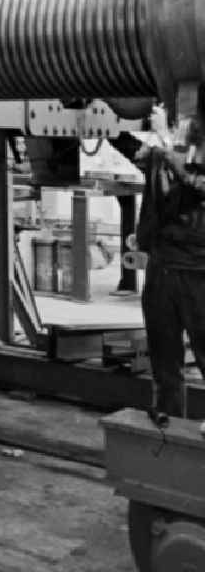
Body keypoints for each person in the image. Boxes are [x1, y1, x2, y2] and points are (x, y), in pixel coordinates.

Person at [116, 107, 205, 420]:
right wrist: (108, 127)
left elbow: (196, 182)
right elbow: (141, 155)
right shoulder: (163, 158)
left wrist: (165, 142)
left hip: (198, 273)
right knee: (165, 364)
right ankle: (168, 433)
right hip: (161, 270)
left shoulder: (180, 157)